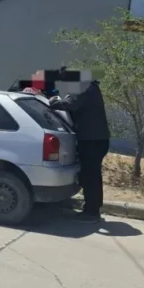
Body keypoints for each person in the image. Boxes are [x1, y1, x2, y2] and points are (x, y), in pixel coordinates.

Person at [49, 70, 110, 223]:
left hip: (91, 140)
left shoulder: (82, 87)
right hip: (97, 139)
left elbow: (70, 104)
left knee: (90, 176)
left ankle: (91, 212)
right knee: (92, 175)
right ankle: (93, 207)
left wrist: (53, 101)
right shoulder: (90, 87)